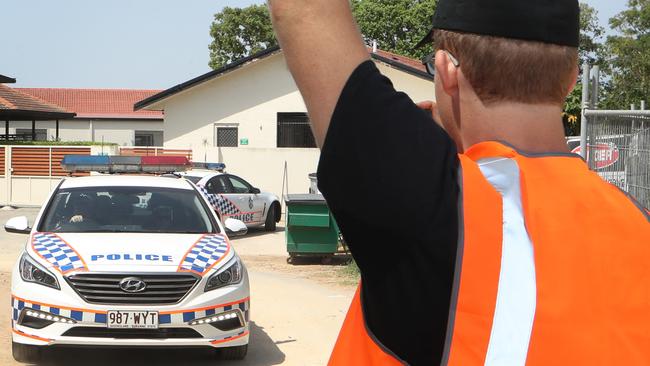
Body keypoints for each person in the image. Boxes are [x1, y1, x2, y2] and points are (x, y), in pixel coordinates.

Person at [269, 0, 650, 365]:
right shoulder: (638, 224)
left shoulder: (433, 200)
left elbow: (305, 9)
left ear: (446, 71)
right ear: (571, 77)